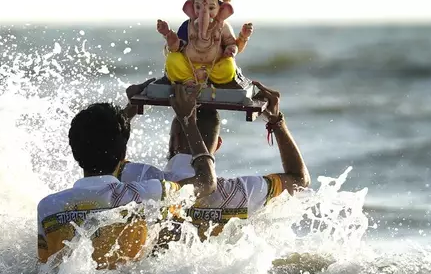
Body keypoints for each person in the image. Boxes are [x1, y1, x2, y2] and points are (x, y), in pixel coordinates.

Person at [36, 84, 217, 269]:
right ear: (123, 154)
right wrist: (188, 121)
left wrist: (129, 111)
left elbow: (46, 273)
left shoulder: (49, 207)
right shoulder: (149, 195)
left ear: (74, 152)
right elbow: (206, 182)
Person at [118, 79, 310, 241]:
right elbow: (300, 180)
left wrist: (130, 111)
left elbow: (101, 159)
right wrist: (277, 121)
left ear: (174, 139)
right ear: (218, 145)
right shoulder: (240, 193)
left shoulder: (143, 181)